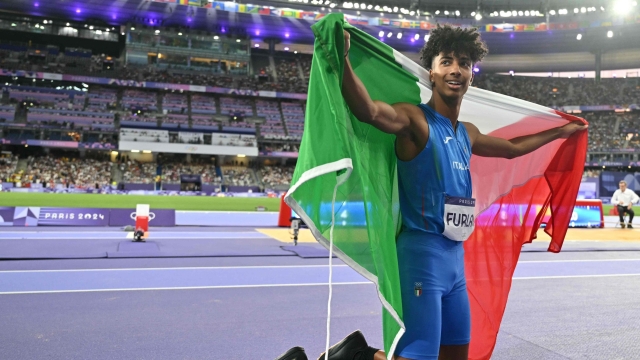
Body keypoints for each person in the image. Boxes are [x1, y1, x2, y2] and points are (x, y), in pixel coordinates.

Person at [277, 25, 586, 360]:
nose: (456, 69)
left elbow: (512, 148)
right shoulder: (415, 121)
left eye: (464, 64)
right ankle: (357, 356)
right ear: (432, 74)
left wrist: (562, 132)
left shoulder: (468, 133)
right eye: (447, 62)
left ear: (471, 76)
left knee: (456, 356)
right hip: (420, 259)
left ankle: (356, 352)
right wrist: (341, 60)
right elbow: (370, 111)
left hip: (455, 261)